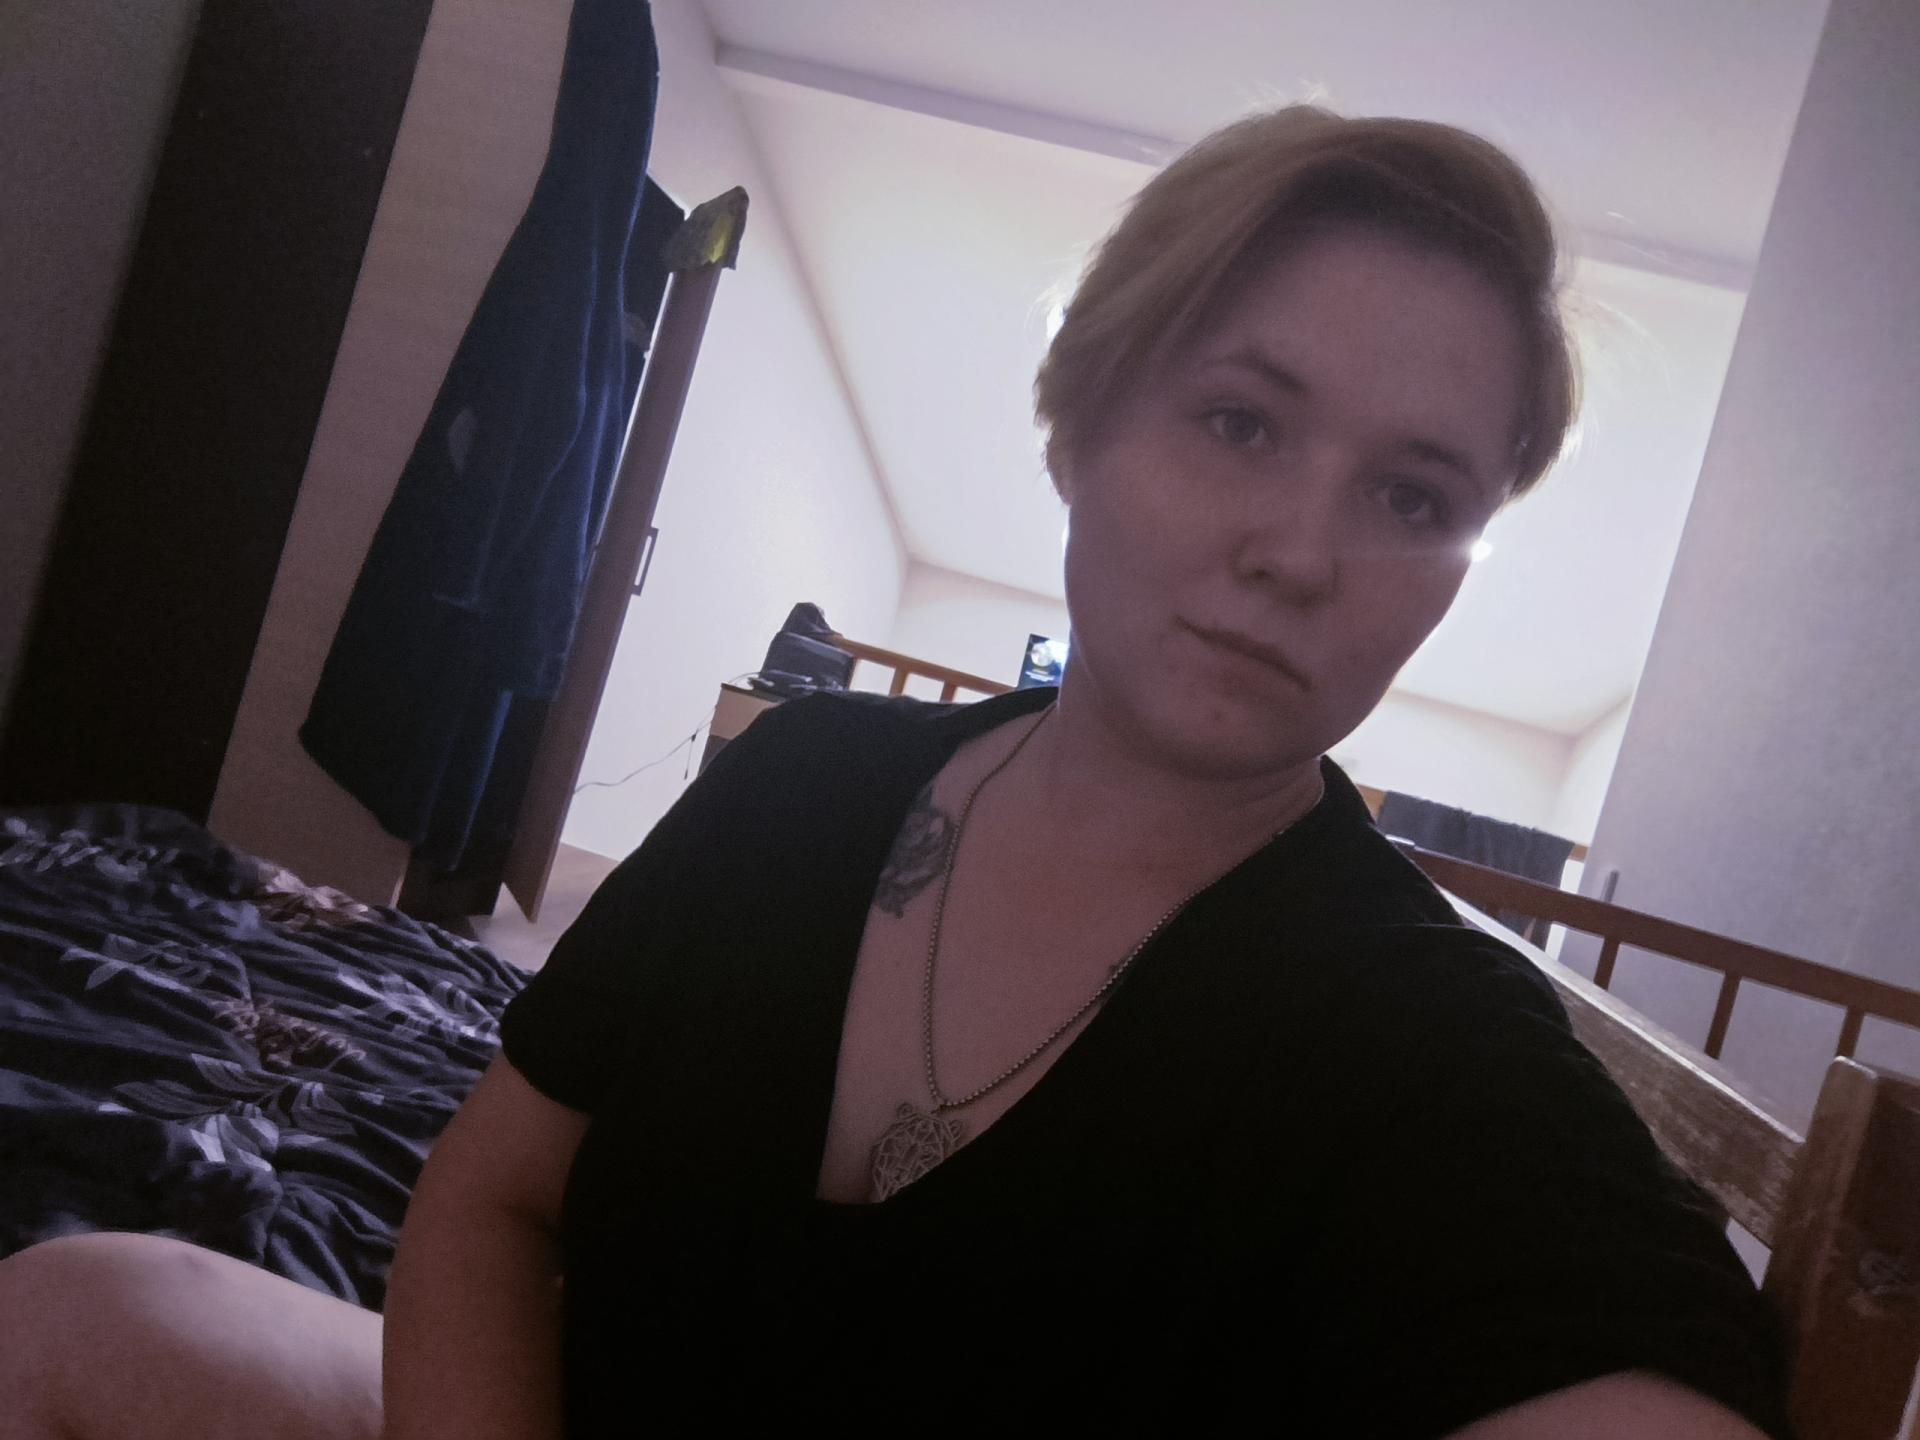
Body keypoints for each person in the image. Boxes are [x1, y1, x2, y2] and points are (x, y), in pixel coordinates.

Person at [0, 105, 1790, 1439]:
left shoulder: (1428, 1046)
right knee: (79, 1308)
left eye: (1412, 496)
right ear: (1083, 422)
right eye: (1242, 420)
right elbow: (494, 1193)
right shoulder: (801, 778)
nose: (1302, 551)